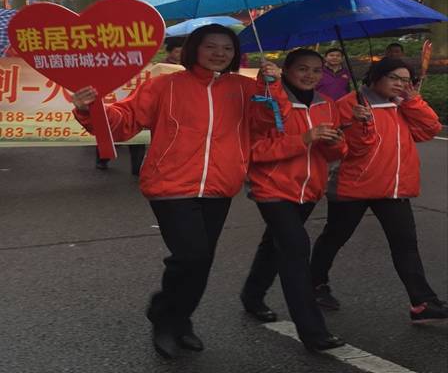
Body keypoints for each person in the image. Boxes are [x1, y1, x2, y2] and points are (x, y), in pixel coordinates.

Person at [71, 24, 282, 359]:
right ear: (194, 48)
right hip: (170, 185)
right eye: (210, 46)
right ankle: (164, 317)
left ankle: (182, 320)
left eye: (227, 48)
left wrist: (272, 88)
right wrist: (90, 109)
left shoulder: (245, 88)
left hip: (220, 186)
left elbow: (267, 125)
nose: (219, 53)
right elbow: (125, 120)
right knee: (191, 255)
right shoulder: (165, 85)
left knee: (202, 260)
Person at [310, 57, 448, 323]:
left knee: (405, 244)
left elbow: (429, 130)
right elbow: (343, 147)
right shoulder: (350, 104)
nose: (400, 85)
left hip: (392, 188)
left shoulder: (401, 105)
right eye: (394, 78)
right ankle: (314, 284)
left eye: (406, 80)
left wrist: (413, 101)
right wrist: (354, 122)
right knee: (335, 237)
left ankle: (422, 302)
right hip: (354, 185)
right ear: (376, 76)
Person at [241, 48, 346, 351]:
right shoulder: (267, 101)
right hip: (272, 189)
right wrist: (304, 139)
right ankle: (313, 331)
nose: (310, 75)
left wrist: (336, 143)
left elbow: (336, 152)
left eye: (316, 70)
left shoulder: (327, 105)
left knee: (274, 245)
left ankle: (252, 295)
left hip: (309, 190)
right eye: (302, 68)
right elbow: (254, 150)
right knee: (296, 249)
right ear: (286, 70)